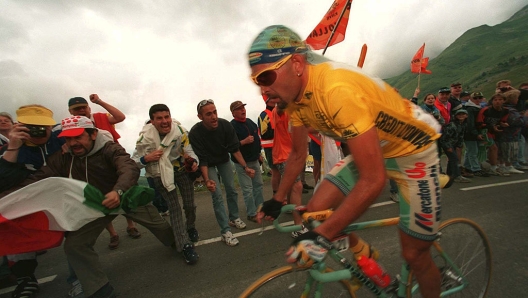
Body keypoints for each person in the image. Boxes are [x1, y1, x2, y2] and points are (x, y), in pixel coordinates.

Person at [248, 25, 443, 297]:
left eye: (267, 76)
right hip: (379, 150)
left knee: (415, 255)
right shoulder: (295, 100)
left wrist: (322, 236)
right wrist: (278, 198)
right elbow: (296, 155)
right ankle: (365, 255)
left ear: (296, 64)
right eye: (257, 80)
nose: (263, 90)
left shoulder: (335, 90)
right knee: (315, 211)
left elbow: (374, 180)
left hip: (413, 154)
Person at [7, 115, 176, 298]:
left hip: (125, 198)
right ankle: (100, 290)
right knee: (74, 245)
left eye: (78, 137)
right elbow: (35, 182)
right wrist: (6, 200)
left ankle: (178, 244)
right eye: (69, 138)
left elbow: (129, 168)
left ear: (93, 134)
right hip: (95, 206)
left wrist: (118, 191)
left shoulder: (110, 148)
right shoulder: (61, 158)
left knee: (161, 227)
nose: (73, 143)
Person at [0, 105, 64, 298]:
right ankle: (25, 278)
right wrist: (12, 149)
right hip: (29, 204)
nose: (38, 131)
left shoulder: (64, 140)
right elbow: (2, 182)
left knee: (77, 239)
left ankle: (79, 274)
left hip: (60, 199)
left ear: (51, 127)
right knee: (13, 229)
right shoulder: (11, 148)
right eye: (31, 126)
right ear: (20, 126)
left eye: (42, 126)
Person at [67, 95, 140, 249]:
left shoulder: (101, 117)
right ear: (70, 112)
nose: (81, 111)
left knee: (123, 193)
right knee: (102, 199)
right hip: (92, 166)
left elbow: (120, 117)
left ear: (89, 108)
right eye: (76, 109)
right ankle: (113, 234)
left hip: (112, 160)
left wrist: (99, 101)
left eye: (83, 107)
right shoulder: (70, 128)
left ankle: (130, 225)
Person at [132, 104, 200, 264]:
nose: (164, 121)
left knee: (190, 205)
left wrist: (194, 161)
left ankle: (190, 226)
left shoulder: (180, 132)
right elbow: (133, 162)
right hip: (159, 173)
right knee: (175, 209)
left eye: (166, 116)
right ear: (152, 121)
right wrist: (146, 159)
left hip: (181, 169)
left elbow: (189, 150)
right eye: (159, 118)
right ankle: (184, 245)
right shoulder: (145, 139)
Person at [188, 99, 255, 246]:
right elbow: (202, 159)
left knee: (231, 189)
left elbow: (234, 149)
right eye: (208, 114)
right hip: (208, 163)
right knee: (217, 195)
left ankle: (234, 217)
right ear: (200, 117)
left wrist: (245, 167)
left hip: (223, 159)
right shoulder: (195, 132)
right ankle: (225, 231)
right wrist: (207, 181)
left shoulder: (225, 125)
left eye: (215, 112)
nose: (213, 117)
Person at [271, 101, 306, 238]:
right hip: (283, 155)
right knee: (297, 186)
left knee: (293, 188)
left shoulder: (299, 111)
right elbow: (281, 106)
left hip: (294, 155)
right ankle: (298, 226)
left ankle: (295, 217)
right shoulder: (278, 111)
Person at [229, 101, 264, 223]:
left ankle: (260, 209)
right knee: (247, 189)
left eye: (243, 107)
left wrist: (259, 153)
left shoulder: (250, 122)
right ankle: (251, 213)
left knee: (258, 185)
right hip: (241, 163)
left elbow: (258, 139)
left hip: (254, 160)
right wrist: (243, 141)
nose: (243, 110)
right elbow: (231, 146)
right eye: (239, 109)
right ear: (233, 113)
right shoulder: (231, 126)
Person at [477, 93, 511, 176]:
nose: (497, 102)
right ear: (492, 101)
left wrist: (502, 124)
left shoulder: (505, 111)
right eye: (495, 100)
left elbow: (502, 121)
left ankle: (496, 166)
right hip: (484, 131)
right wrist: (492, 127)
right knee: (493, 148)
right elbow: (479, 123)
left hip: (494, 132)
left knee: (497, 148)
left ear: (504, 101)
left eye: (500, 100)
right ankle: (493, 168)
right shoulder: (486, 110)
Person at [439, 109, 471, 183]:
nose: (461, 116)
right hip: (447, 144)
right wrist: (448, 147)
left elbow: (461, 136)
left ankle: (450, 175)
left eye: (463, 114)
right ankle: (456, 176)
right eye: (459, 114)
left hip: (454, 144)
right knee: (454, 159)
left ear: (466, 116)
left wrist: (459, 145)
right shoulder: (452, 125)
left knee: (452, 159)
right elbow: (444, 138)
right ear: (456, 116)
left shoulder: (463, 124)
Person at [258, 95, 281, 193]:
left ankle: (281, 193)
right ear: (267, 101)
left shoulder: (278, 112)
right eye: (272, 99)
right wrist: (277, 130)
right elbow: (264, 134)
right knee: (276, 172)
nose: (275, 101)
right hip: (270, 148)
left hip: (279, 147)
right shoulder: (264, 115)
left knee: (280, 172)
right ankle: (276, 193)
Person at [463, 92, 490, 177]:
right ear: (471, 99)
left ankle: (467, 166)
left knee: (470, 151)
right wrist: (476, 134)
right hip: (470, 133)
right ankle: (476, 169)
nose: (478, 100)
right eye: (475, 98)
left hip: (474, 132)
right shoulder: (470, 109)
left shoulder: (477, 107)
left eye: (480, 98)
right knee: (473, 151)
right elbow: (470, 123)